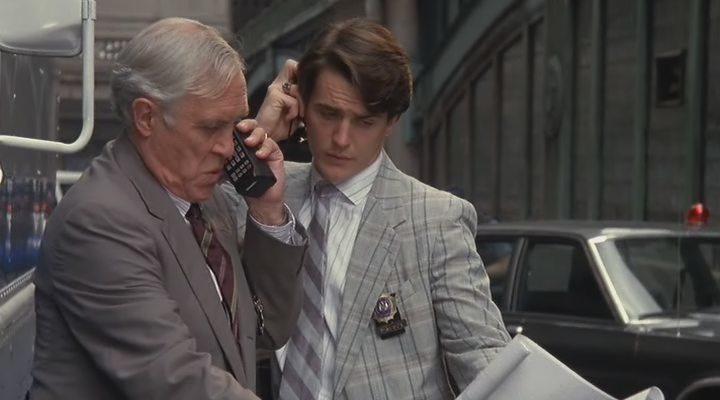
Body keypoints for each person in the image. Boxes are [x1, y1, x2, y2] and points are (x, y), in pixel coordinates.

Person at [227, 17, 510, 400]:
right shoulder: (268, 192)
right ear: (302, 105)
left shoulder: (436, 219)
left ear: (391, 122)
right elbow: (188, 218)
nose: (342, 139)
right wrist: (260, 136)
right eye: (329, 114)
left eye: (364, 121)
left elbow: (485, 361)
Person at [29, 17, 306, 400]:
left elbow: (263, 333)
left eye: (233, 125)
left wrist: (267, 212)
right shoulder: (97, 222)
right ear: (146, 117)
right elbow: (176, 380)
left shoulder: (204, 199)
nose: (228, 147)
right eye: (210, 127)